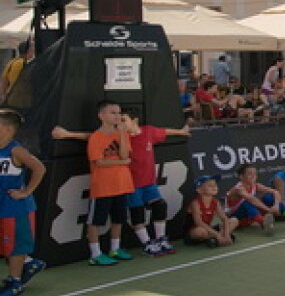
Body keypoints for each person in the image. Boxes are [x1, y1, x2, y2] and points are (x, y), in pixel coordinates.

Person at [53, 110, 189, 256]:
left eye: (123, 120)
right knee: (137, 213)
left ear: (134, 120)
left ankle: (161, 239)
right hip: (132, 184)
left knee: (160, 205)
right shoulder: (121, 137)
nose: (120, 124)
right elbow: (91, 136)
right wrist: (68, 134)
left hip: (149, 182)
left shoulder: (148, 131)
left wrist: (181, 132)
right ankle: (147, 243)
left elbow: (165, 132)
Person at [83, 100, 136, 266]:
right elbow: (98, 161)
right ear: (101, 116)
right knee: (95, 221)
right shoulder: (96, 137)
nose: (117, 116)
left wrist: (121, 134)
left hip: (122, 184)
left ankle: (115, 248)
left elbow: (125, 154)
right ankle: (95, 253)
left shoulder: (123, 134)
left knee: (118, 219)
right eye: (113, 112)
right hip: (103, 186)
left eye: (119, 113)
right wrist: (121, 163)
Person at [0, 109, 46, 296]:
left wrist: (26, 192)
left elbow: (39, 168)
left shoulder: (15, 150)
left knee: (16, 245)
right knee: (7, 245)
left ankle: (15, 281)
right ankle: (29, 263)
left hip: (15, 208)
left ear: (8, 129)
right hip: (3, 207)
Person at [225, 164, 284, 234]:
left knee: (270, 198)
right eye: (250, 174)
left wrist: (276, 205)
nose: (253, 176)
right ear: (241, 176)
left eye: (255, 174)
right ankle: (264, 223)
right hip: (234, 218)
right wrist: (269, 210)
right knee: (247, 202)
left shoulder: (256, 185)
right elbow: (251, 199)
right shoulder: (238, 189)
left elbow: (275, 192)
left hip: (247, 217)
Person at [187, 175, 237, 247]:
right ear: (199, 190)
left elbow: (224, 219)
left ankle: (219, 239)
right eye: (210, 185)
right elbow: (198, 223)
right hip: (194, 230)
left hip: (209, 229)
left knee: (234, 220)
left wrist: (226, 234)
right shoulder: (195, 203)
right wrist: (218, 235)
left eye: (215, 185)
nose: (214, 187)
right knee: (200, 232)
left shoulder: (215, 202)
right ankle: (217, 238)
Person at [0, 41, 32, 105]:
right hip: (22, 99)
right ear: (28, 51)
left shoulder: (12, 62)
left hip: (11, 97)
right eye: (32, 50)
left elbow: (4, 82)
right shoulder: (26, 64)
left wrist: (3, 95)